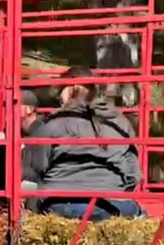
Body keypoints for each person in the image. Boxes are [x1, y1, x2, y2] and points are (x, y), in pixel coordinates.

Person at [24, 82, 144, 218]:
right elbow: (133, 174)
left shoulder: (53, 124)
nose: (59, 98)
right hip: (116, 205)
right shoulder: (122, 123)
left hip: (64, 204)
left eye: (62, 90)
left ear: (71, 88)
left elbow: (34, 170)